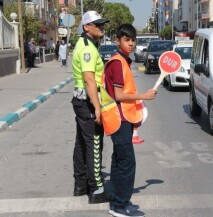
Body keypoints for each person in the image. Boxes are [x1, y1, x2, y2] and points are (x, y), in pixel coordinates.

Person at [102, 23, 156, 217]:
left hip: (122, 118)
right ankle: (119, 206)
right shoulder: (117, 62)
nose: (131, 43)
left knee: (119, 161)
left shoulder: (123, 61)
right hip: (119, 118)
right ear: (118, 41)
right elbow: (118, 95)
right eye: (127, 40)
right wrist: (144, 96)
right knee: (126, 162)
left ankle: (118, 201)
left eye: (133, 40)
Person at [71, 10, 109, 204]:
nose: (101, 27)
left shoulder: (88, 44)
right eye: (97, 24)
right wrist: (97, 107)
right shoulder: (87, 48)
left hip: (81, 101)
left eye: (102, 24)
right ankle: (96, 189)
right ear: (86, 27)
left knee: (81, 143)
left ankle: (80, 184)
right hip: (87, 101)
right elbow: (89, 79)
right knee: (94, 143)